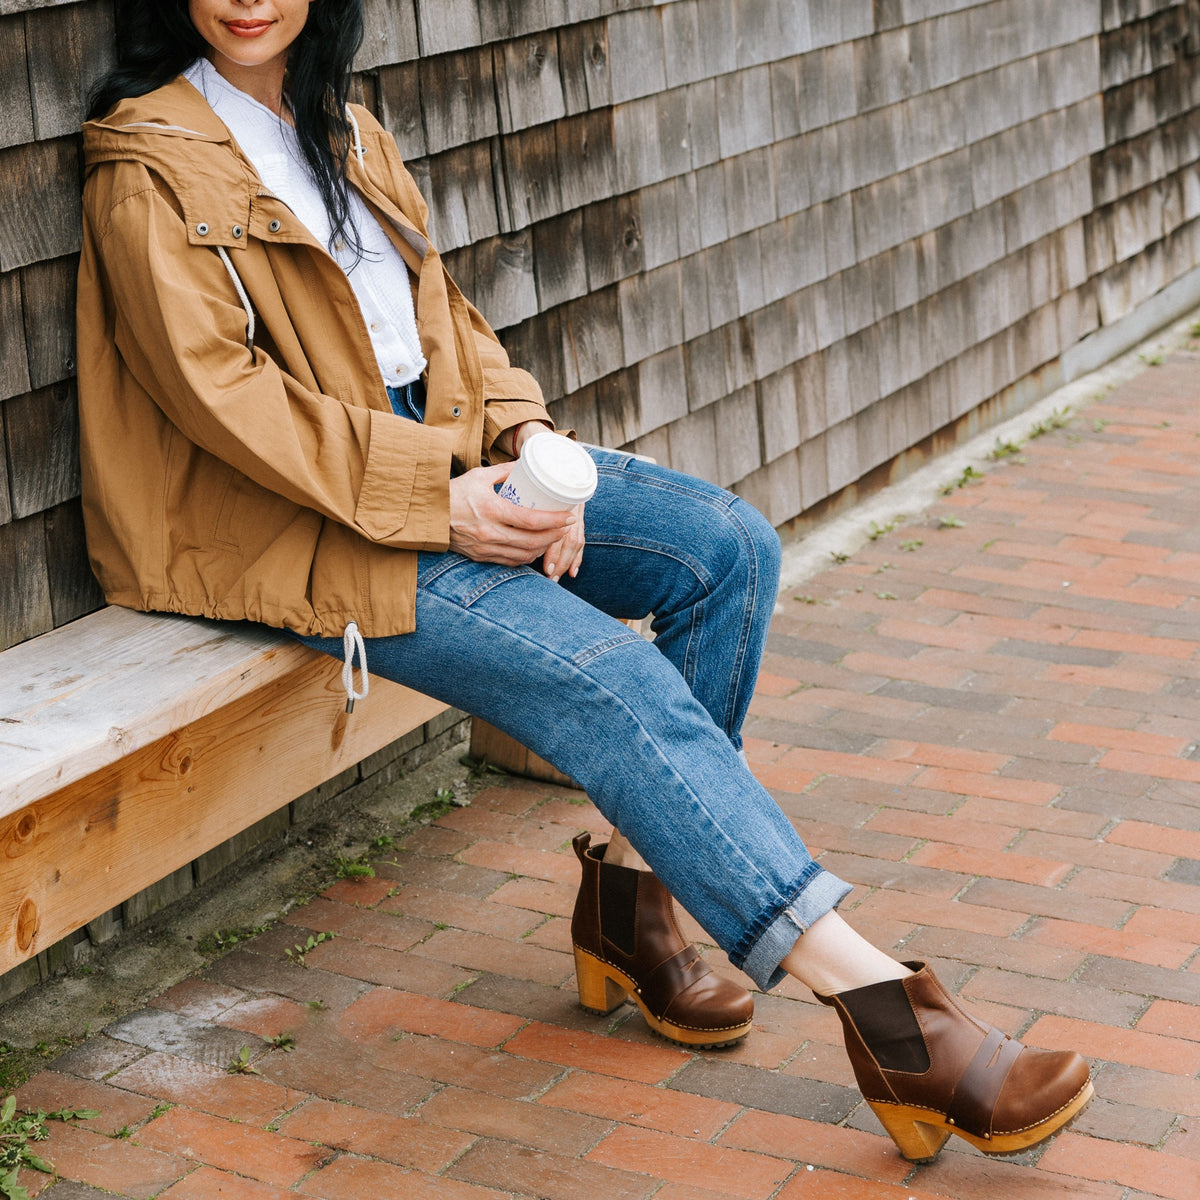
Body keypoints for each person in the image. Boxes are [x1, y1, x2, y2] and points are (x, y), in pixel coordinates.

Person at [78, 0, 1092, 1164]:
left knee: (727, 550)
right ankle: (889, 1015)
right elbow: (221, 399)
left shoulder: (344, 130)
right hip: (282, 518)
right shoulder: (143, 157)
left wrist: (523, 448)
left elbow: (446, 322)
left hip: (431, 457)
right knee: (610, 679)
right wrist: (438, 500)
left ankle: (625, 906)